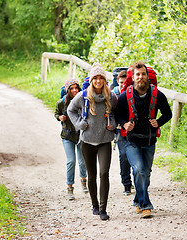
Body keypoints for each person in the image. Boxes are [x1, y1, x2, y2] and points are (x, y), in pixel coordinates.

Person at [115, 61, 172, 218]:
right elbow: (117, 114)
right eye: (137, 75)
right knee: (139, 169)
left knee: (145, 175)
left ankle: (138, 199)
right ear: (133, 78)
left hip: (149, 141)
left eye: (143, 74)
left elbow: (168, 114)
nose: (140, 77)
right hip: (131, 141)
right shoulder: (125, 95)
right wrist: (124, 123)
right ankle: (146, 205)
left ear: (147, 76)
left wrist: (158, 122)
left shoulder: (157, 95)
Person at [68, 63, 117, 220]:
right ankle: (94, 204)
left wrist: (113, 124)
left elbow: (116, 113)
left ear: (104, 80)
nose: (98, 81)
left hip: (104, 141)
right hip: (87, 141)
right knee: (92, 175)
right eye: (95, 78)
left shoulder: (111, 96)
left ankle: (103, 209)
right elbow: (70, 110)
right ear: (91, 80)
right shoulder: (83, 96)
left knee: (104, 174)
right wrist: (80, 124)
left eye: (101, 78)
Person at [54, 78, 88, 201]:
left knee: (82, 160)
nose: (74, 90)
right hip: (67, 136)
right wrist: (60, 117)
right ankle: (70, 188)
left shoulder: (83, 101)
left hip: (80, 135)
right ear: (67, 90)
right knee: (71, 161)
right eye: (71, 88)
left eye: (76, 88)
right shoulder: (61, 102)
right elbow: (56, 113)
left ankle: (84, 180)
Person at [112, 70, 133, 195]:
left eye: (124, 82)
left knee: (134, 156)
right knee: (124, 156)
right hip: (120, 131)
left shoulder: (132, 93)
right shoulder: (114, 94)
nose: (122, 85)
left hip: (134, 130)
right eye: (120, 83)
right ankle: (126, 184)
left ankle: (133, 180)